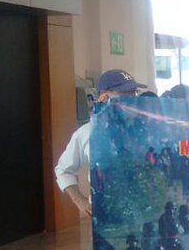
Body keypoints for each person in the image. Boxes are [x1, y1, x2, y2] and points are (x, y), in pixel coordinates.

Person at [55, 70, 146, 219]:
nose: (133, 98)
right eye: (126, 93)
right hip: (106, 219)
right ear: (105, 96)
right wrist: (80, 201)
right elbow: (63, 170)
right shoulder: (87, 133)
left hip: (142, 214)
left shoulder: (142, 129)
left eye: (134, 92)